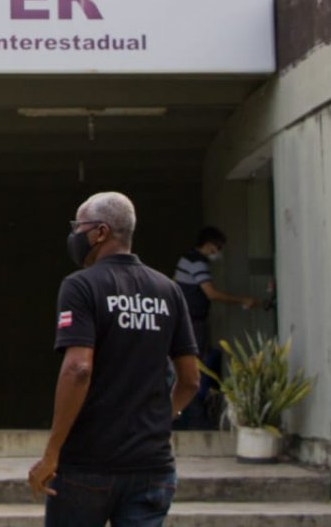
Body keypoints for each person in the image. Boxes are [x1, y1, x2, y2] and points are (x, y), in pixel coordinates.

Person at [28, 192, 199, 527]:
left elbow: (78, 368)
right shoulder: (168, 290)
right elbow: (191, 379)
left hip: (87, 465)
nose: (75, 235)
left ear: (100, 232)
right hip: (153, 465)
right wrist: (163, 417)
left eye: (79, 227)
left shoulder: (81, 286)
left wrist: (52, 453)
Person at [173, 227, 257, 355]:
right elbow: (211, 294)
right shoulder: (198, 263)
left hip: (184, 317)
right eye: (218, 247)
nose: (218, 251)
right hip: (193, 320)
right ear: (208, 244)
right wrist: (242, 300)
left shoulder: (187, 257)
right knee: (196, 359)